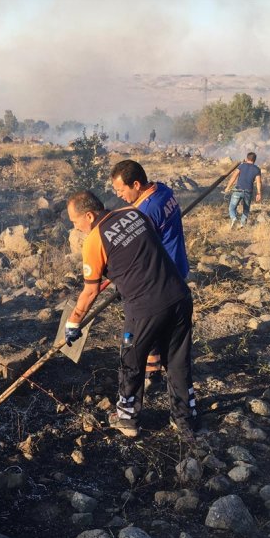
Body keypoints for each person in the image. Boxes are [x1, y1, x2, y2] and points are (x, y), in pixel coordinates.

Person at [64, 191, 198, 439]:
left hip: (145, 309)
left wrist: (74, 321)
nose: (75, 226)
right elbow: (143, 250)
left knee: (131, 363)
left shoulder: (94, 241)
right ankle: (184, 419)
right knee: (177, 361)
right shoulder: (133, 213)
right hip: (179, 296)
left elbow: (90, 290)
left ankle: (127, 419)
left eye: (75, 221)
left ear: (89, 215)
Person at [110, 160, 189, 389]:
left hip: (161, 277)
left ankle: (149, 373)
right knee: (165, 326)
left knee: (144, 325)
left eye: (121, 190)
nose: (119, 195)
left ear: (136, 184)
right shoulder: (164, 190)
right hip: (177, 267)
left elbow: (136, 254)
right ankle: (155, 367)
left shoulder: (145, 212)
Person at [223, 152, 262, 228]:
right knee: (246, 209)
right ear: (255, 160)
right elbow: (258, 182)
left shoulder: (241, 166)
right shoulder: (257, 169)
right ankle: (242, 225)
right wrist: (259, 193)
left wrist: (228, 187)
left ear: (247, 158)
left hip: (238, 190)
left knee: (232, 207)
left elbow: (234, 177)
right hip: (248, 192)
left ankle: (234, 218)